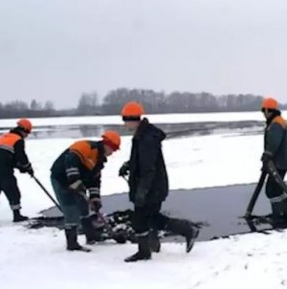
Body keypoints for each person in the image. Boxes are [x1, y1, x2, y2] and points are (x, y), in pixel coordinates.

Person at [119, 101, 197, 263]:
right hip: (153, 186)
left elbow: (148, 169)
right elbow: (143, 161)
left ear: (131, 119)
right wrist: (129, 165)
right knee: (152, 218)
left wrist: (141, 192)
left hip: (152, 187)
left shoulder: (146, 139)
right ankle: (186, 230)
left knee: (141, 220)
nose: (124, 124)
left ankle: (145, 251)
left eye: (125, 120)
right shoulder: (142, 135)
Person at [50, 131, 121, 252]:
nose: (112, 152)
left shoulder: (99, 162)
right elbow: (70, 160)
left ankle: (91, 236)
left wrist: (95, 198)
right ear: (106, 144)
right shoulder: (85, 146)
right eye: (113, 149)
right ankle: (72, 243)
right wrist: (75, 180)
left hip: (78, 183)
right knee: (71, 210)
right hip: (61, 179)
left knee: (84, 208)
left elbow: (94, 181)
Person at [0, 119, 34, 225]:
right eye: (27, 133)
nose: (26, 136)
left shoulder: (5, 137)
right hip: (4, 171)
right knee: (13, 191)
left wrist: (20, 167)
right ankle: (17, 215)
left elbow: (7, 156)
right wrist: (27, 167)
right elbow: (21, 156)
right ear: (23, 130)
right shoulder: (18, 139)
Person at [260, 97, 287, 225]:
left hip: (279, 162)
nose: (263, 113)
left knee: (272, 190)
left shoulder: (276, 124)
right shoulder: (276, 121)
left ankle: (279, 215)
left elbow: (273, 143)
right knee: (277, 189)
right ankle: (282, 213)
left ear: (269, 110)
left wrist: (267, 155)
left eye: (264, 110)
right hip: (279, 162)